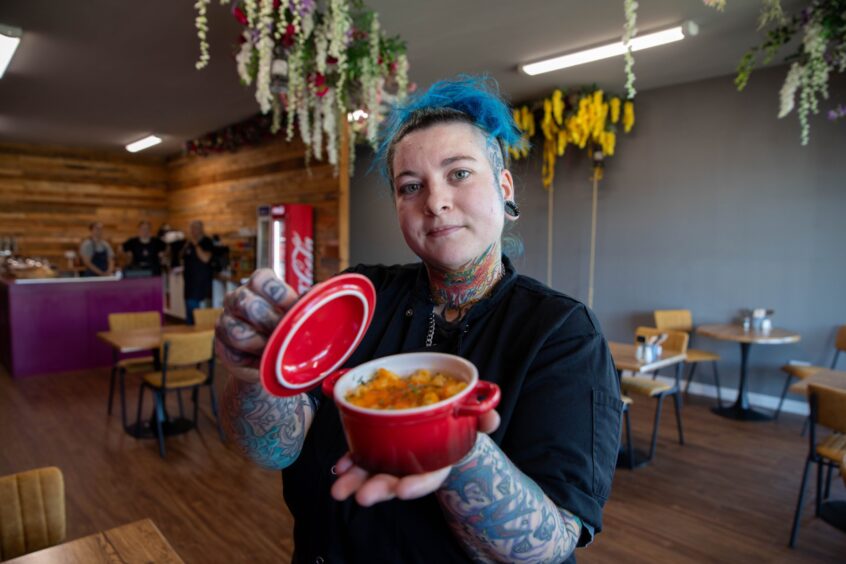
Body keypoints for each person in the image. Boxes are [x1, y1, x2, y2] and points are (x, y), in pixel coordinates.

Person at [216, 76, 622, 563]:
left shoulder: (562, 332)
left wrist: (456, 450)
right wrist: (254, 375)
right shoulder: (357, 298)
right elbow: (270, 451)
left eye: (460, 174)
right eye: (411, 187)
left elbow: (549, 545)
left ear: (505, 187)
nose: (435, 201)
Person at [180, 220, 214, 325]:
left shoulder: (206, 242)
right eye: (192, 228)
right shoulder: (188, 243)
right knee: (189, 310)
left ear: (201, 229)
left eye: (196, 228)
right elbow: (181, 257)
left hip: (200, 282)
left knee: (196, 310)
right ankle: (189, 333)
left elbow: (205, 258)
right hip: (189, 281)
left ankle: (197, 332)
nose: (193, 231)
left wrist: (195, 245)